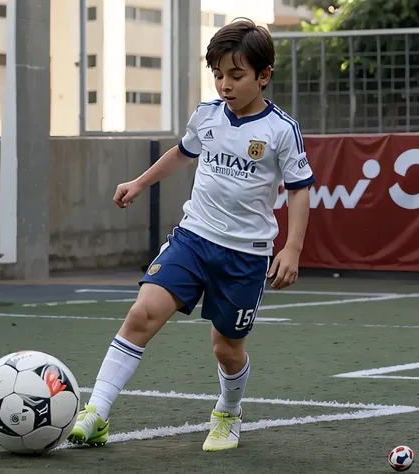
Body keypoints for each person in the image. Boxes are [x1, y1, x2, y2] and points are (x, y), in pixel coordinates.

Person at [68, 18, 315, 452]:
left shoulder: (281, 130)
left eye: (236, 75)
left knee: (226, 349)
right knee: (142, 314)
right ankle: (98, 411)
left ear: (263, 75)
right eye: (218, 74)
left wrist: (292, 249)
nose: (224, 84)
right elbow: (183, 153)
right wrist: (140, 183)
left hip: (245, 255)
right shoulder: (206, 115)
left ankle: (228, 412)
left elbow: (299, 190)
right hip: (193, 238)